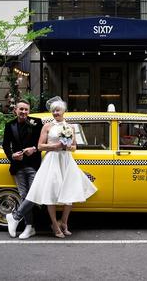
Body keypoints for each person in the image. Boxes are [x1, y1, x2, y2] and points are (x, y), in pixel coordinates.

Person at [25, 97, 97, 238]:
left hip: (66, 160)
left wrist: (69, 147)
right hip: (52, 160)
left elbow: (75, 147)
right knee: (50, 193)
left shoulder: (70, 127)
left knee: (70, 190)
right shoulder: (47, 126)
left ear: (63, 111)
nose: (55, 113)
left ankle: (64, 222)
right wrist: (56, 146)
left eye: (57, 110)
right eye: (53, 111)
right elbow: (40, 146)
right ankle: (55, 225)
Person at [3, 99, 43, 239]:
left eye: (26, 109)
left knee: (34, 194)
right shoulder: (9, 125)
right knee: (24, 196)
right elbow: (5, 145)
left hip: (33, 165)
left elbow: (42, 143)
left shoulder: (37, 122)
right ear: (15, 110)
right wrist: (12, 156)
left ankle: (14, 216)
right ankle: (29, 227)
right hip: (18, 166)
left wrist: (34, 149)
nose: (23, 112)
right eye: (21, 109)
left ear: (29, 111)